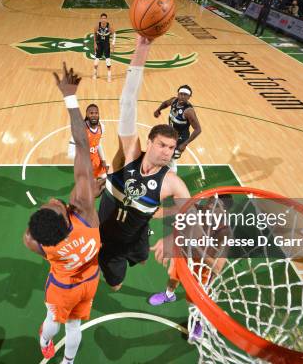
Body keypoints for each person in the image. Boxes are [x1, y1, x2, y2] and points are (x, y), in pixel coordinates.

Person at [98, 35, 191, 291]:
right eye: (162, 145)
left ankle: (138, 247)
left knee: (140, 259)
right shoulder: (128, 155)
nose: (167, 152)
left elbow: (191, 213)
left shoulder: (171, 182)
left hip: (136, 236)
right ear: (148, 142)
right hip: (106, 240)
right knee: (115, 286)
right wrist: (143, 47)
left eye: (172, 148)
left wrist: (173, 235)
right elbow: (127, 102)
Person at [24, 63, 101, 364]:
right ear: (65, 215)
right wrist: (70, 99)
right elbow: (83, 143)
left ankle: (45, 340)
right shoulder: (85, 211)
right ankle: (67, 362)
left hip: (63, 285)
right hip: (90, 279)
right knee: (74, 325)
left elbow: (31, 236)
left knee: (54, 321)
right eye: (53, 205)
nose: (53, 199)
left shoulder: (38, 243)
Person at [148, 195, 233, 340]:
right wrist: (146, 211)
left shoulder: (224, 233)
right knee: (173, 277)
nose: (211, 205)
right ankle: (169, 295)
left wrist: (197, 247)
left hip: (202, 269)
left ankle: (197, 321)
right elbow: (169, 212)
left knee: (194, 301)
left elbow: (217, 268)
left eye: (217, 205)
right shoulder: (195, 211)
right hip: (184, 256)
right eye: (211, 201)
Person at [153, 85, 202, 172]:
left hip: (180, 139)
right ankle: (160, 171)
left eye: (185, 95)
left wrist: (184, 144)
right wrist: (158, 110)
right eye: (181, 94)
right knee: (164, 154)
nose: (183, 96)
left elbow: (198, 129)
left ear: (189, 97)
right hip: (171, 134)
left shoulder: (188, 111)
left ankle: (172, 178)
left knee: (171, 160)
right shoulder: (174, 100)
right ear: (178, 94)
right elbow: (165, 103)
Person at [68, 104, 108, 179]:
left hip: (96, 162)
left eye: (96, 113)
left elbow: (98, 144)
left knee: (105, 180)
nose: (94, 115)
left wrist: (103, 159)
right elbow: (70, 153)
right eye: (91, 113)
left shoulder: (101, 127)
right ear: (87, 114)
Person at [93, 13, 115, 82]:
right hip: (99, 44)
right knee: (96, 60)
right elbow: (94, 34)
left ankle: (109, 76)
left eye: (105, 18)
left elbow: (114, 34)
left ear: (106, 19)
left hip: (106, 44)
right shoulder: (97, 26)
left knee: (108, 59)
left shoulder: (109, 27)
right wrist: (95, 43)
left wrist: (113, 44)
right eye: (102, 18)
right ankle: (95, 73)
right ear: (100, 19)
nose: (103, 19)